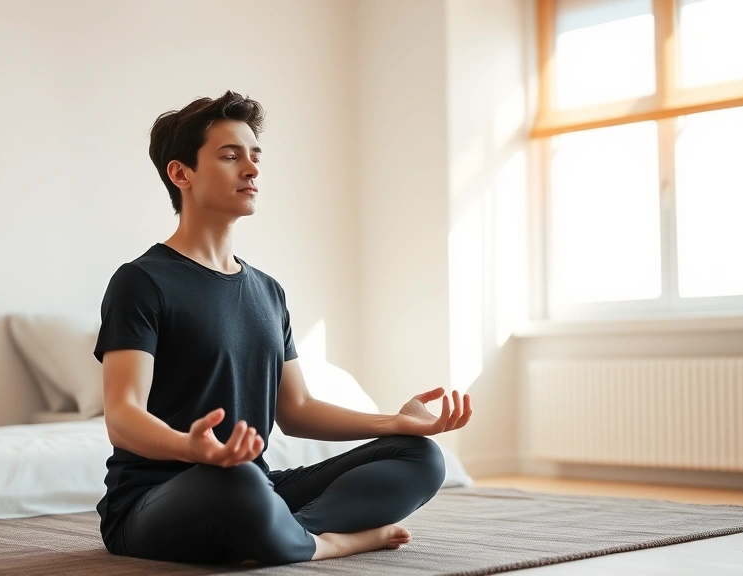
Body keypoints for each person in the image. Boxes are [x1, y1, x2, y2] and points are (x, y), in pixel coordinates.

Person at [94, 91, 472, 566]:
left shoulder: (267, 291)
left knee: (420, 456)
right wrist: (189, 446)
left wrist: (393, 423)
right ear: (180, 173)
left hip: (251, 485)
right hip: (156, 498)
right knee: (237, 481)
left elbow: (297, 409)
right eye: (230, 156)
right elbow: (122, 416)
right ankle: (336, 542)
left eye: (255, 157)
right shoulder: (142, 282)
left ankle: (284, 534)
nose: (251, 170)